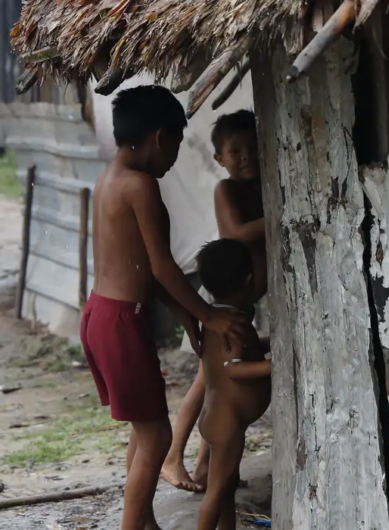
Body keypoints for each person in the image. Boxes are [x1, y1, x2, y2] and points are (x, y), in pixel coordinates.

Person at [79, 86, 250, 530]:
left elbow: (141, 269)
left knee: (145, 429)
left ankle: (142, 520)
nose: (175, 156)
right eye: (176, 143)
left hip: (101, 314)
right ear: (160, 137)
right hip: (121, 320)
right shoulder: (141, 186)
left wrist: (186, 315)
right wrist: (209, 314)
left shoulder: (108, 179)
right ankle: (134, 524)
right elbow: (162, 266)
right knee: (157, 436)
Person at [161, 109, 268, 492]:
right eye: (235, 150)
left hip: (242, 303)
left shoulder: (263, 186)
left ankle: (208, 467)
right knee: (205, 385)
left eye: (253, 148)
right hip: (221, 302)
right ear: (219, 159)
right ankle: (173, 457)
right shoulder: (227, 190)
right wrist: (282, 213)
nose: (246, 157)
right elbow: (236, 233)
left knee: (216, 389)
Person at [194, 238, 272, 530]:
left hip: (216, 417)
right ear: (249, 280)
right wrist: (270, 367)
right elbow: (234, 368)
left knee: (226, 488)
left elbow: (244, 350)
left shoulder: (218, 319)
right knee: (215, 493)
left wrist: (271, 342)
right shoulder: (233, 322)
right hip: (227, 424)